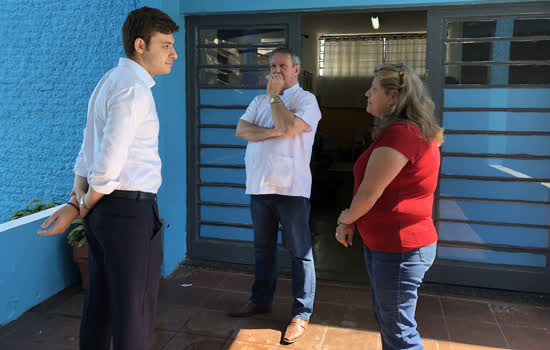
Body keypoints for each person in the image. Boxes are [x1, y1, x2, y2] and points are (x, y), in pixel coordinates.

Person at [37, 7, 179, 350]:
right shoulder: (134, 89)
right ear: (141, 45)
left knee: (100, 308)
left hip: (105, 215)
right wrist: (83, 204)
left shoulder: (109, 81)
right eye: (166, 45)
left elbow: (87, 151)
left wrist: (77, 201)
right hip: (127, 215)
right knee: (135, 314)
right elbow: (108, 163)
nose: (173, 54)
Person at [335, 63, 443, 350]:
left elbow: (369, 193)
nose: (367, 92)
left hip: (400, 248)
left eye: (374, 88)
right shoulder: (407, 131)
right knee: (390, 322)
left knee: (400, 333)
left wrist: (346, 219)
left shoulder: (401, 135)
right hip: (390, 245)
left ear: (394, 96)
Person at [230, 48, 322, 344]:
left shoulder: (306, 101)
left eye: (283, 65)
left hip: (290, 190)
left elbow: (287, 124)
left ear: (296, 69)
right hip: (259, 187)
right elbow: (241, 130)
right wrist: (275, 132)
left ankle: (301, 313)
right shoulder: (258, 100)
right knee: (263, 250)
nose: (276, 70)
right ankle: (260, 300)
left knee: (300, 253)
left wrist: (275, 100)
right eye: (272, 66)